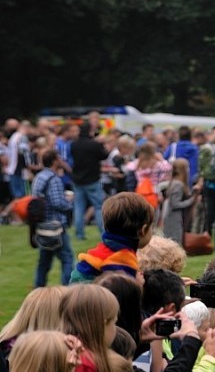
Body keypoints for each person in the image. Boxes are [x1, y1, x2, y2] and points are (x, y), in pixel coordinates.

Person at [70, 191, 154, 285]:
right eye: (151, 227)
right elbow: (124, 294)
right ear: (143, 230)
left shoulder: (105, 249)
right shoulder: (124, 261)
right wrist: (138, 285)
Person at [30, 149, 77, 287]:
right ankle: (67, 289)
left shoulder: (39, 176)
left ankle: (38, 289)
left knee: (44, 261)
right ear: (55, 161)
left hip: (42, 225)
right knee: (67, 259)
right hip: (55, 225)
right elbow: (58, 203)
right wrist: (70, 202)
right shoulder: (54, 178)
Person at [69, 122, 109, 240]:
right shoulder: (94, 145)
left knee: (79, 207)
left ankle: (79, 234)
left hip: (77, 179)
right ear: (90, 131)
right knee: (98, 206)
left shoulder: (74, 145)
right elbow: (104, 156)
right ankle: (103, 233)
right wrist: (101, 143)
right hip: (92, 179)